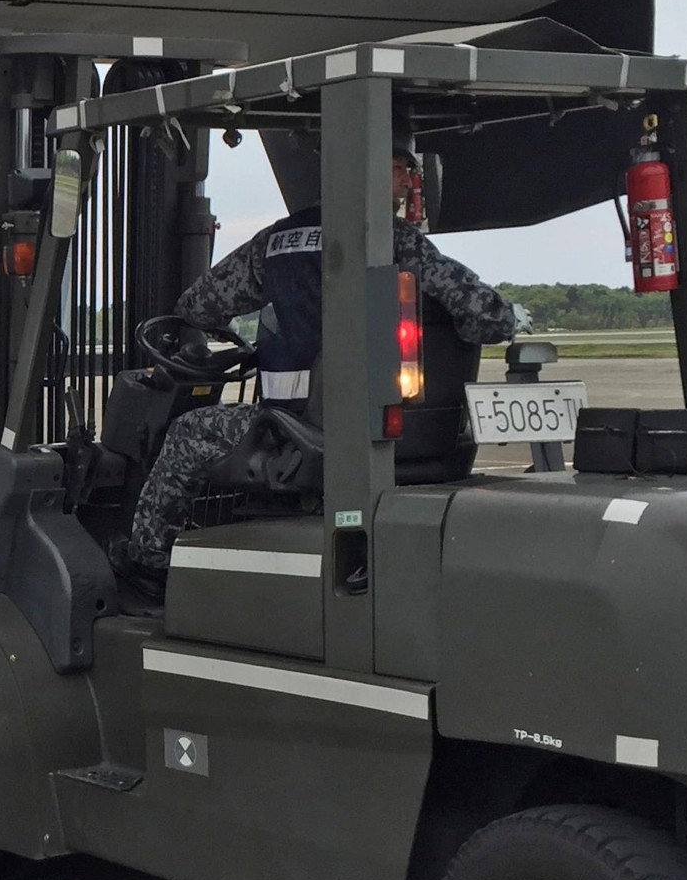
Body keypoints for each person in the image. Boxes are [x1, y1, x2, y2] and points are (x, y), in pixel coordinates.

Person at [110, 140, 516, 588]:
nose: (406, 180)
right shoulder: (398, 243)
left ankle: (148, 562)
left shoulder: (279, 240)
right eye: (398, 167)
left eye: (407, 169)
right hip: (387, 431)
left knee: (187, 432)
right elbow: (490, 318)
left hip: (299, 429)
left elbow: (199, 306)